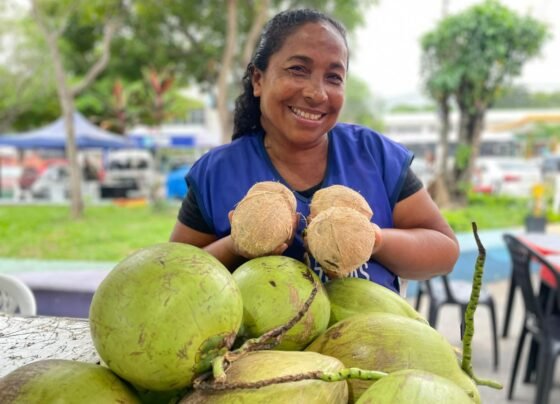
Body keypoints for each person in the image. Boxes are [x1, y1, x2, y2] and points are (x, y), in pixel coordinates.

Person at [170, 8, 459, 294]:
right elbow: (173, 276)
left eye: (334, 77)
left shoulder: (375, 155)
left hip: (370, 327)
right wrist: (237, 244)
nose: (317, 93)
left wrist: (372, 238)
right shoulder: (217, 173)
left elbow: (445, 251)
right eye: (298, 69)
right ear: (258, 80)